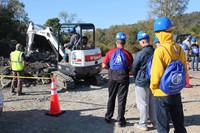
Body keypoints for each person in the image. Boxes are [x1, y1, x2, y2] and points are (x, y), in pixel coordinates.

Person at [150, 17, 187, 133]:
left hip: (162, 93)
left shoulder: (160, 51)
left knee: (163, 127)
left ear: (159, 33)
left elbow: (156, 74)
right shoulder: (179, 49)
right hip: (176, 91)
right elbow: (184, 70)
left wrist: (153, 88)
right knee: (179, 124)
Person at [102, 32, 133, 127]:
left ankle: (108, 117)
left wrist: (111, 69)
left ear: (116, 42)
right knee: (122, 99)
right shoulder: (128, 54)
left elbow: (103, 65)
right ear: (125, 42)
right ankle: (120, 120)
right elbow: (131, 68)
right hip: (123, 78)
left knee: (111, 97)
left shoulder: (110, 52)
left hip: (112, 77)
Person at [132, 31, 156, 131]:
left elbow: (134, 68)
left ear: (142, 42)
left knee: (142, 103)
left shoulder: (140, 54)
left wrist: (136, 77)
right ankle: (155, 122)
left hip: (142, 81)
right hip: (154, 80)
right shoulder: (156, 52)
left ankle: (143, 124)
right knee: (152, 102)